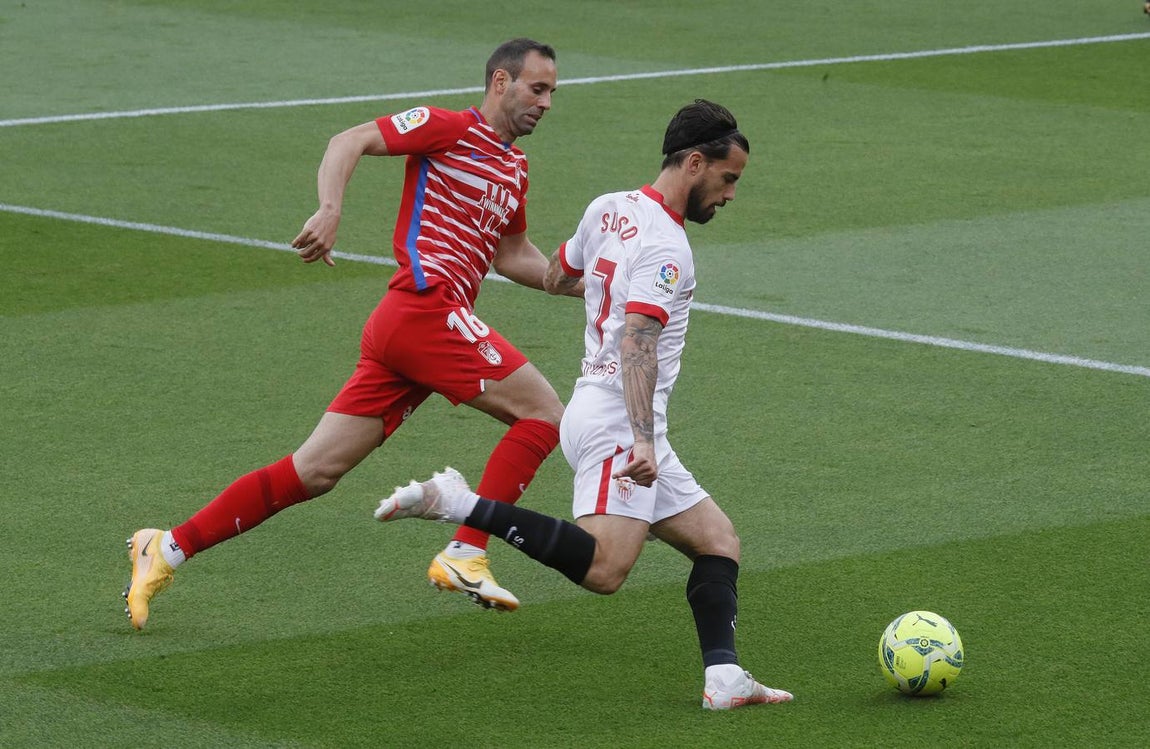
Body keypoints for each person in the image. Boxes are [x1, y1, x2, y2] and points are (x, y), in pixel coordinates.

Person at [124, 38, 581, 629]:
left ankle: (164, 548)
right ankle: (468, 550)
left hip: (418, 331)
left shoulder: (514, 167)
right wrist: (330, 208)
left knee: (314, 471)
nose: (545, 102)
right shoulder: (447, 129)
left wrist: (592, 285)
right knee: (544, 415)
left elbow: (514, 255)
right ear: (500, 82)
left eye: (551, 93)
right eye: (536, 88)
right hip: (424, 308)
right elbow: (350, 140)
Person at [375, 99, 793, 710]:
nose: (730, 195)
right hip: (621, 423)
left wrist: (610, 286)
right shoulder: (669, 249)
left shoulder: (610, 207)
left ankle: (724, 678)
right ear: (696, 162)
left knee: (716, 540)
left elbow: (552, 274)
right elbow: (638, 343)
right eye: (728, 179)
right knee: (605, 570)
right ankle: (458, 503)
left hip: (598, 409)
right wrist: (644, 440)